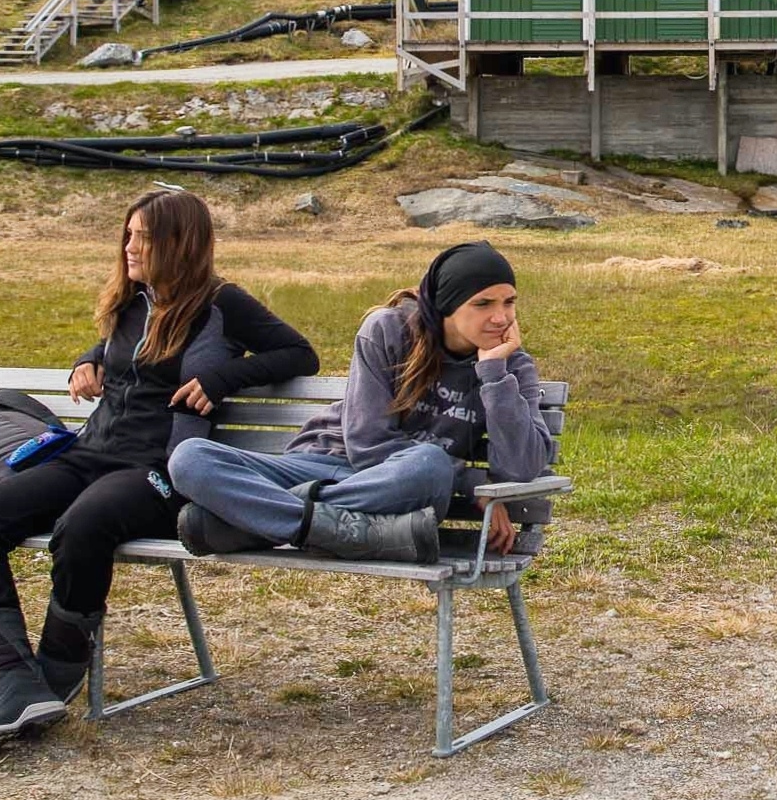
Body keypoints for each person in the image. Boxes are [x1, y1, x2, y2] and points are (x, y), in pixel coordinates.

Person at [0, 189, 318, 756]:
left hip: (158, 472)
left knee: (83, 525)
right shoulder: (134, 301)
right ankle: (9, 680)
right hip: (90, 453)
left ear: (179, 243)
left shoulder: (223, 304)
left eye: (143, 237)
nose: (129, 247)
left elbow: (299, 353)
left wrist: (222, 379)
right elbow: (125, 348)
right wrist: (87, 360)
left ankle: (57, 668)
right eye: (129, 235)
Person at [169, 242, 551, 566]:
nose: (501, 317)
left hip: (403, 486)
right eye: (483, 303)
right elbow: (367, 444)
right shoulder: (388, 330)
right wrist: (469, 481)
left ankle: (261, 522)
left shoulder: (511, 366)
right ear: (447, 306)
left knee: (430, 463)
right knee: (190, 458)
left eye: (509, 302)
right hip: (323, 465)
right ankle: (339, 529)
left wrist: (494, 375)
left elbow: (521, 469)